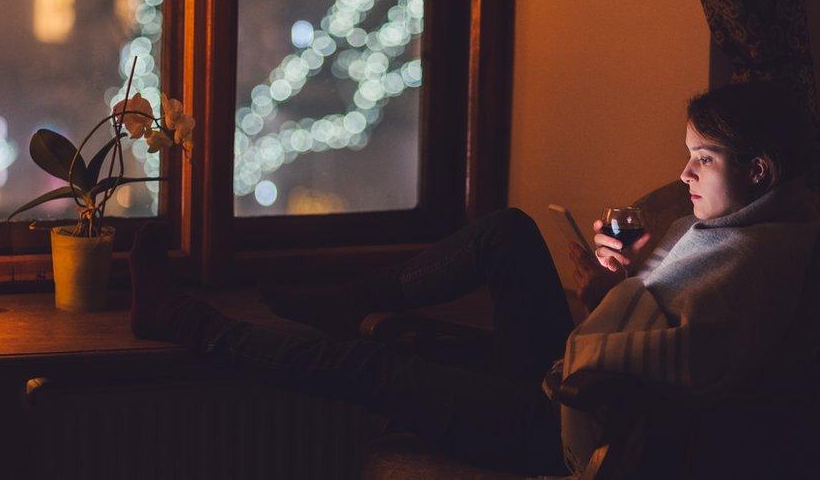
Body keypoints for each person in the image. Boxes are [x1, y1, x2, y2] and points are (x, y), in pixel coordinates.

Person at [128, 81, 819, 476]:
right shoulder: (736, 225)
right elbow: (659, 314)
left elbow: (682, 358)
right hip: (579, 370)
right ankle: (355, 301)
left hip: (579, 421)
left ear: (760, 169)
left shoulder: (763, 258)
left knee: (367, 366)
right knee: (509, 231)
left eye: (702, 158)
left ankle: (182, 318)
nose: (683, 174)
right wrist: (618, 282)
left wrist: (613, 312)